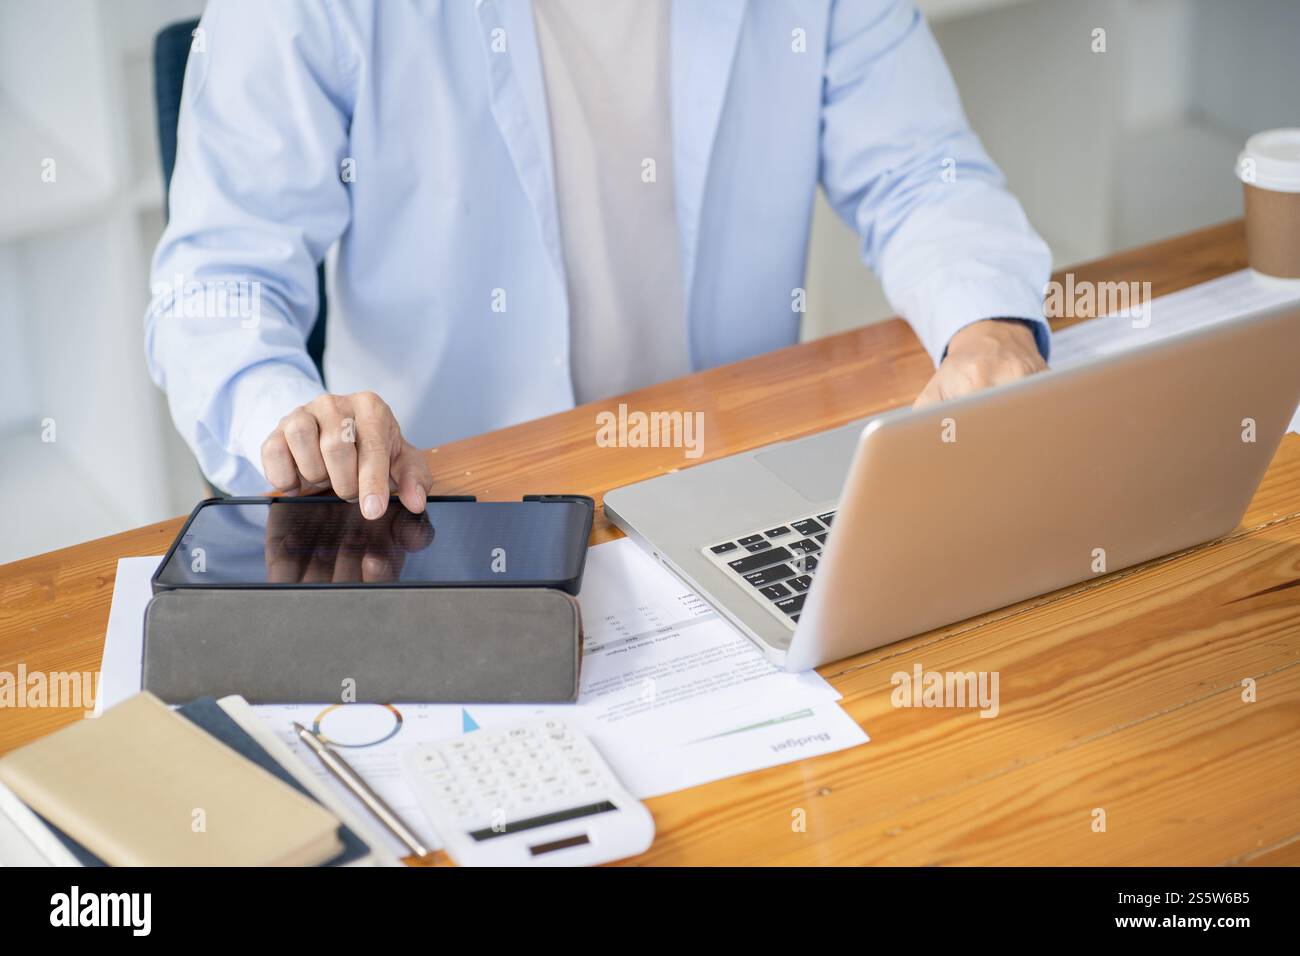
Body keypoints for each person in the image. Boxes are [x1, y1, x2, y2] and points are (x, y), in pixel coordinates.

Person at [146, 0, 1051, 522]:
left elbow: (919, 172)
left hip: (730, 492)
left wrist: (988, 327)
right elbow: (218, 281)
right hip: (443, 513)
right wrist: (294, 419)